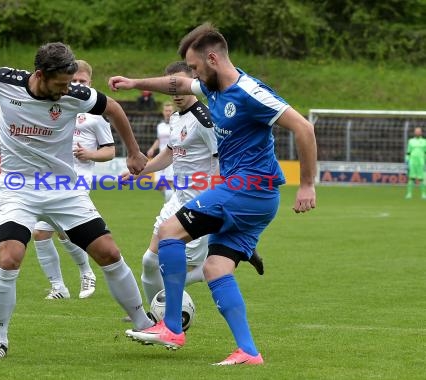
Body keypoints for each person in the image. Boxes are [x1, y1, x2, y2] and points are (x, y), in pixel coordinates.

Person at [109, 23, 317, 365]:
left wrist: (307, 184)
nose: (191, 75)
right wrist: (135, 83)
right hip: (252, 196)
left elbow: (304, 127)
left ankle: (171, 326)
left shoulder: (250, 92)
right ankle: (249, 351)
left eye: (194, 67)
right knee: (216, 268)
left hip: (249, 188)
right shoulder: (214, 87)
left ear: (212, 58)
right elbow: (175, 83)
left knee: (168, 232)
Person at [0, 42, 154, 359]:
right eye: (61, 84)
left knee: (108, 251)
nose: (67, 89)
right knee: (9, 257)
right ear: (40, 74)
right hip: (18, 187)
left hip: (63, 188)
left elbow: (114, 109)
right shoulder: (5, 81)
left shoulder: (74, 96)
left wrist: (134, 151)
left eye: (70, 83)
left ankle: (144, 323)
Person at [122, 61, 264, 313]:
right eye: (170, 89)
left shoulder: (206, 120)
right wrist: (139, 171)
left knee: (172, 272)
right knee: (149, 262)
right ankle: (157, 317)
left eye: (179, 87)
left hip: (199, 204)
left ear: (193, 84)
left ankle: (169, 316)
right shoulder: (176, 118)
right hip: (177, 200)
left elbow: (225, 159)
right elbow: (170, 152)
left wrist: (218, 200)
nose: (175, 94)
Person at [33, 60, 115, 300]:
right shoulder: (57, 107)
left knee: (63, 231)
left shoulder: (95, 116)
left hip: (79, 179)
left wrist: (89, 154)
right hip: (52, 178)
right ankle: (59, 287)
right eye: (74, 81)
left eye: (83, 82)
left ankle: (86, 271)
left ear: (91, 83)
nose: (79, 85)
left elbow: (109, 150)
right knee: (41, 234)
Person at [146, 101, 175, 201]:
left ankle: (170, 208)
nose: (167, 112)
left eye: (170, 110)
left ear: (173, 111)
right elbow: (159, 140)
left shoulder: (176, 124)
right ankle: (173, 201)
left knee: (168, 183)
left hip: (171, 157)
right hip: (160, 157)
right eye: (166, 110)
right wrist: (152, 148)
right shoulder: (160, 126)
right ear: (163, 112)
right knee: (158, 185)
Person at [405, 127, 426, 199]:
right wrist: (407, 161)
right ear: (414, 133)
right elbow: (408, 152)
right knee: (411, 178)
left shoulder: (424, 141)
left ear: (421, 133)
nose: (417, 133)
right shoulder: (410, 141)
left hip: (421, 162)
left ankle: (423, 194)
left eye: (419, 131)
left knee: (421, 179)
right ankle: (409, 194)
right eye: (416, 131)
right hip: (412, 162)